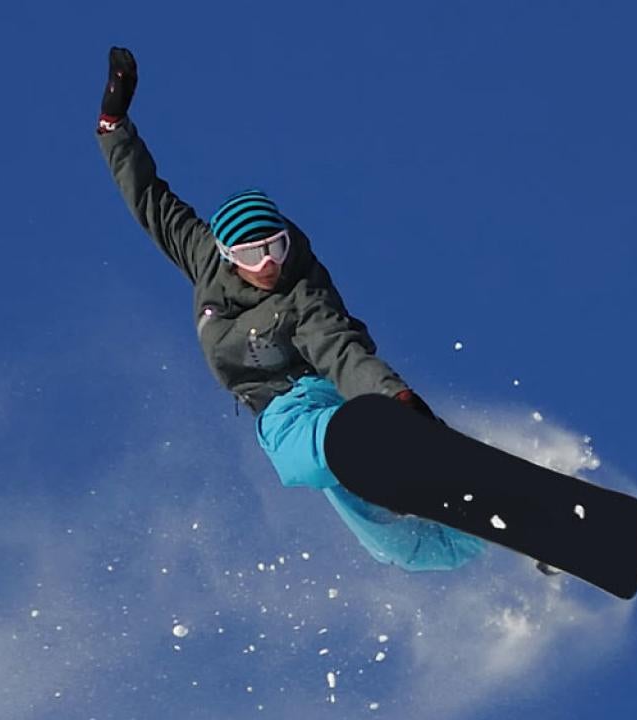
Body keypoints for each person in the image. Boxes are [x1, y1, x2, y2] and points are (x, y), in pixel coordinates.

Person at [96, 47, 484, 571]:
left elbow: (340, 351)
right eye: (253, 255)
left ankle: (376, 443)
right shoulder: (202, 255)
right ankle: (455, 509)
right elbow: (148, 198)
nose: (269, 263)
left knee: (292, 455)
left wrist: (398, 400)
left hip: (322, 395)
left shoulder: (302, 291)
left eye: (275, 246)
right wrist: (114, 122)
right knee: (401, 549)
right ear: (228, 256)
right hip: (277, 406)